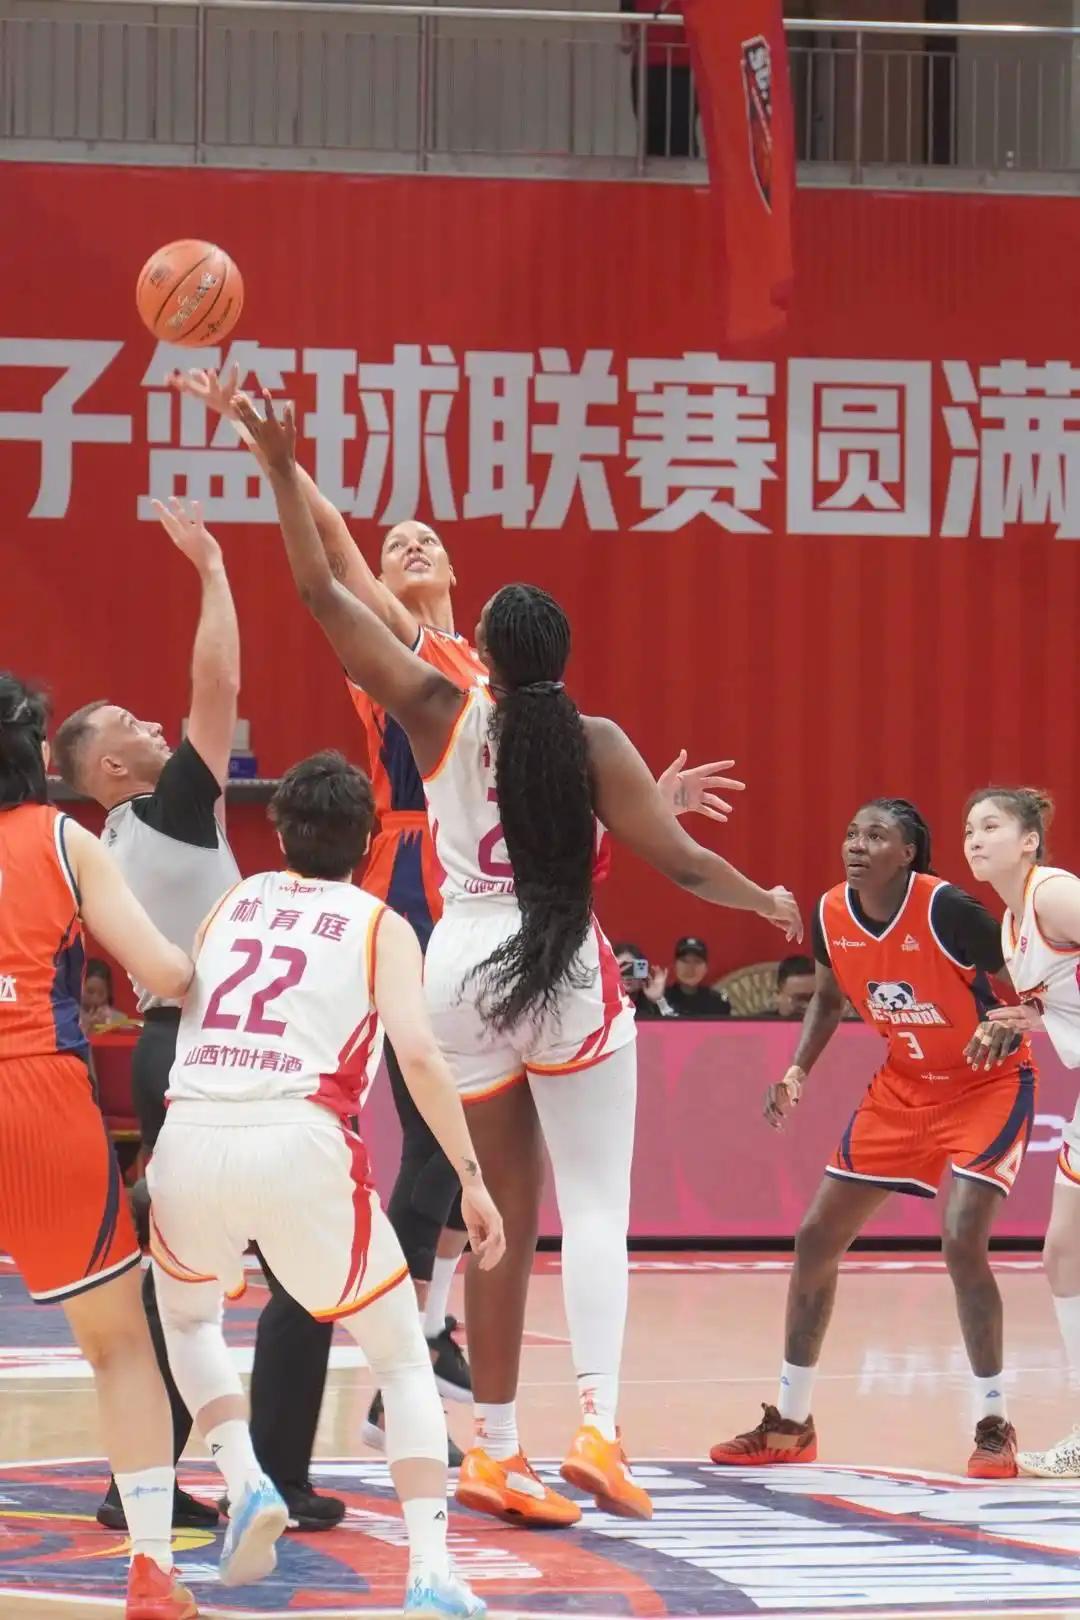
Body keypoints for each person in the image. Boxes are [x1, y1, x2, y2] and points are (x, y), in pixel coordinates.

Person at [237, 390, 801, 1527]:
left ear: (484, 649)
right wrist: (767, 900)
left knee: (490, 1206)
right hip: (561, 958)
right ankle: (597, 1428)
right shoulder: (588, 738)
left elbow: (320, 590)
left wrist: (279, 467)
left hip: (459, 959)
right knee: (593, 1209)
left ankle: (494, 1448)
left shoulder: (442, 705)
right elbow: (685, 865)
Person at [147, 751, 503, 1614]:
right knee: (402, 1359)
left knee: (188, 1320)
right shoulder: (381, 924)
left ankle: (245, 1478)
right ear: (370, 841)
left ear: (277, 833)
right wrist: (472, 1177)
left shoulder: (231, 902)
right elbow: (420, 1056)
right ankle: (430, 1572)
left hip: (189, 1131)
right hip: (298, 1137)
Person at [52, 499, 341, 1535]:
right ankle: (277, 1477)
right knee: (301, 1263)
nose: (152, 724)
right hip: (216, 1059)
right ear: (113, 771)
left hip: (169, 1057)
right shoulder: (169, 812)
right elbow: (216, 688)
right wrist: (215, 569)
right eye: (131, 727)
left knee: (188, 1281)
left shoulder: (108, 841)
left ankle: (140, 1479)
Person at [709, 799, 1037, 1481]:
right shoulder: (832, 914)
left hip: (986, 1083)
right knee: (814, 1238)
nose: (857, 845)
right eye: (852, 833)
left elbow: (1028, 980)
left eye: (876, 836)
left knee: (961, 1239)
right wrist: (797, 1070)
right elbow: (829, 1001)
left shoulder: (948, 911)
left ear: (907, 854)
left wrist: (1013, 1017)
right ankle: (791, 1424)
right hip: (903, 1087)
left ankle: (993, 1423)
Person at [0, 673, 198, 1620]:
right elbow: (161, 969)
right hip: (37, 1098)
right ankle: (151, 1571)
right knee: (119, 1348)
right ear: (39, 754)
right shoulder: (62, 838)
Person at [963, 787, 1080, 1478]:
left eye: (990, 826)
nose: (974, 839)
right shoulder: (1011, 925)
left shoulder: (1054, 896)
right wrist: (1038, 1020)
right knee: (1063, 1252)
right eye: (968, 830)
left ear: (1029, 840)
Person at [664, 937, 732, 1018]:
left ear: (706, 968)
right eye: (684, 961)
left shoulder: (718, 1001)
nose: (690, 968)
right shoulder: (661, 998)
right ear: (675, 966)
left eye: (697, 961)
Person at [613, 942, 677, 1020]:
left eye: (631, 969)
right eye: (621, 968)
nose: (627, 978)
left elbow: (677, 1024)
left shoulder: (650, 1004)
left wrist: (659, 1000)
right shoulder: (602, 1002)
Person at [81, 957, 134, 1032]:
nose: (95, 999)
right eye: (90, 991)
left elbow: (130, 1034)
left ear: (108, 993)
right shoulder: (69, 1016)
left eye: (101, 993)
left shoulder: (117, 1018)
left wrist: (110, 1022)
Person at [774, 954, 816, 1020]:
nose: (810, 1007)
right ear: (777, 996)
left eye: (815, 999)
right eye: (800, 998)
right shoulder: (759, 1024)